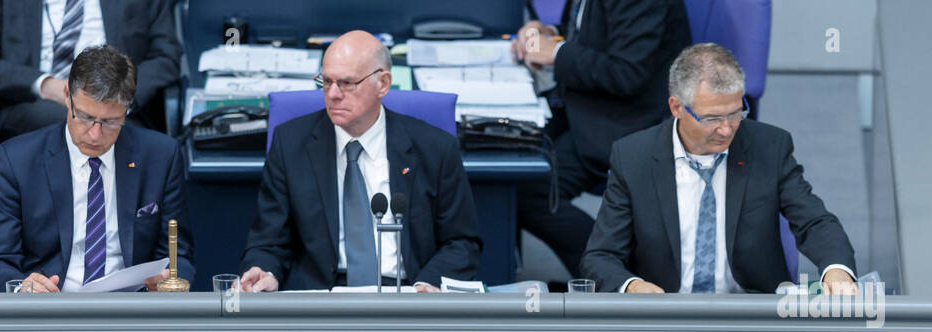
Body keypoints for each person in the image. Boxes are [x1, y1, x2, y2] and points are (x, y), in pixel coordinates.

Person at [580, 43, 859, 295]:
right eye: (712, 118)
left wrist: (836, 268)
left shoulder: (769, 147)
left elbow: (815, 221)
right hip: (664, 316)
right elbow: (600, 256)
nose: (727, 129)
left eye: (736, 113)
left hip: (751, 316)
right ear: (677, 107)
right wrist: (633, 286)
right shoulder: (633, 157)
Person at [237, 31, 481, 292]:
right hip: (321, 297)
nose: (333, 94)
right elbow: (269, 241)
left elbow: (462, 242)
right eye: (326, 81)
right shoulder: (290, 144)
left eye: (346, 83)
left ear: (383, 84)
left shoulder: (435, 148)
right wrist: (266, 271)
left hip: (408, 293)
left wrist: (426, 285)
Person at [0, 45, 192, 293]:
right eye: (86, 117)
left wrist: (166, 281)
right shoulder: (17, 160)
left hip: (131, 312)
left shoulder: (161, 157)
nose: (95, 133)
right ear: (67, 96)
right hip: (50, 310)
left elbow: (180, 256)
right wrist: (22, 288)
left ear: (128, 108)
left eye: (110, 122)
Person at [512, 0, 691, 278]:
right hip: (586, 105)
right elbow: (596, 33)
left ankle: (613, 275)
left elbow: (626, 73)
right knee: (504, 157)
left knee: (523, 190)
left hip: (628, 121)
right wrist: (549, 33)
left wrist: (558, 52)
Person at [0, 0, 182, 213]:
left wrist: (116, 98)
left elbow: (166, 57)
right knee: (76, 123)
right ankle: (86, 238)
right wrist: (45, 85)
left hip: (117, 110)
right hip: (31, 107)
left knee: (102, 127)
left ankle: (97, 241)